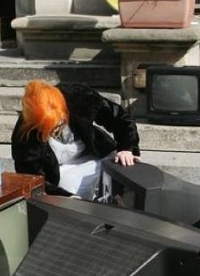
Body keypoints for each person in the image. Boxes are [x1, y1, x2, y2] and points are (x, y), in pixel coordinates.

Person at [11, 80, 141, 199]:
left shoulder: (78, 97)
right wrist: (67, 198)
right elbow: (35, 180)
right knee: (69, 189)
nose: (56, 132)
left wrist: (126, 148)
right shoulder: (24, 136)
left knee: (124, 172)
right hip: (61, 171)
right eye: (48, 130)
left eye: (59, 125)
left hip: (97, 153)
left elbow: (118, 117)